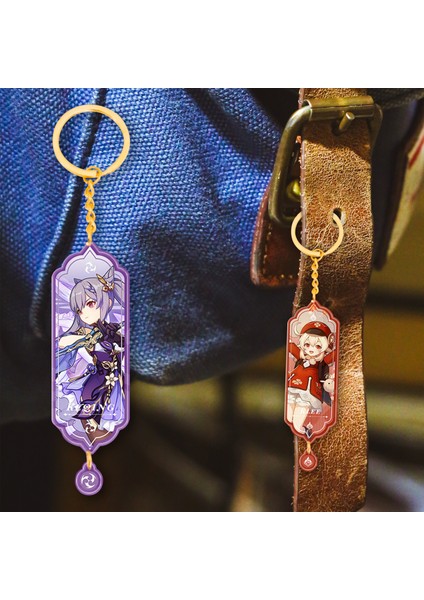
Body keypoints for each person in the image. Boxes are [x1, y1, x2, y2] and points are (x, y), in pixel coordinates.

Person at [286, 321, 335, 439]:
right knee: (288, 417)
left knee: (297, 424)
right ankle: (302, 434)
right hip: (293, 386)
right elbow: (290, 346)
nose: (312, 349)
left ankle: (305, 433)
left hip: (309, 390)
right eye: (307, 344)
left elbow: (334, 355)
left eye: (318, 346)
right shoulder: (301, 356)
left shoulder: (321, 362)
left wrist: (334, 342)